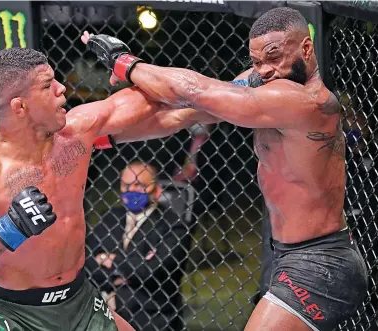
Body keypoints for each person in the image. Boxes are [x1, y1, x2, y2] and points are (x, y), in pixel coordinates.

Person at [83, 7, 369, 331]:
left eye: (274, 57)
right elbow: (183, 112)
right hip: (291, 257)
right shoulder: (264, 83)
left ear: (305, 48)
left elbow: (196, 91)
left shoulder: (306, 101)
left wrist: (126, 63)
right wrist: (102, 137)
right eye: (257, 61)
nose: (265, 70)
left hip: (319, 264)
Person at [0, 47, 186, 331]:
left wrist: (126, 65)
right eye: (48, 85)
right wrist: (9, 229)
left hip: (79, 300)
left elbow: (165, 99)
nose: (63, 88)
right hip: (15, 313)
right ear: (20, 107)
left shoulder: (76, 134)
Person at [85, 161, 190, 331]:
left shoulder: (173, 226)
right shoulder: (110, 218)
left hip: (151, 315)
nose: (131, 190)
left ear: (157, 190)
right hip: (104, 309)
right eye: (126, 185)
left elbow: (152, 271)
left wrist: (112, 260)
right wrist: (125, 273)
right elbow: (87, 262)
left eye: (139, 185)